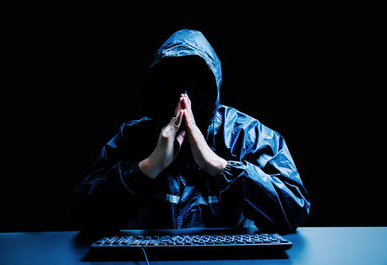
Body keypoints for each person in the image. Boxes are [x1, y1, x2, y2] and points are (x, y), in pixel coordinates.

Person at [72, 29, 310, 233]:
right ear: (156, 91)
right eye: (171, 87)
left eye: (197, 87)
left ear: (212, 89)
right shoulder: (132, 137)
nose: (183, 100)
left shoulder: (246, 135)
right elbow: (82, 214)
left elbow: (294, 209)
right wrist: (147, 167)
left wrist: (218, 165)